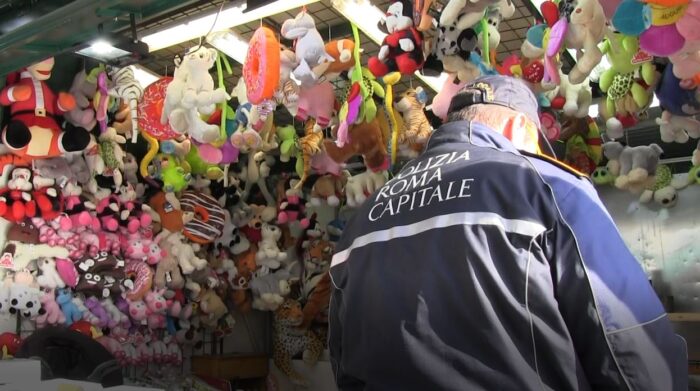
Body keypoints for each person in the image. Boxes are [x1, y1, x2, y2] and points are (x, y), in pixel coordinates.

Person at [328, 75, 687, 390]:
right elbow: (628, 342)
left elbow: (343, 360)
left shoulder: (367, 214)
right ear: (520, 129)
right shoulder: (547, 184)